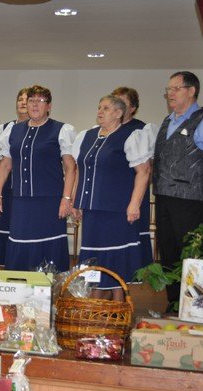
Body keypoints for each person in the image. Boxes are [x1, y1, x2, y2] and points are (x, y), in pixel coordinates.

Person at [71, 95, 152, 301]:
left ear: (118, 113)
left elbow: (143, 171)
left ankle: (119, 307)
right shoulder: (87, 136)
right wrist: (75, 200)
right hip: (92, 211)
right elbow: (80, 170)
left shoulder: (130, 136)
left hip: (116, 211)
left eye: (106, 108)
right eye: (99, 107)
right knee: (94, 258)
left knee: (115, 258)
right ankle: (97, 305)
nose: (100, 111)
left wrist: (134, 204)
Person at [0, 85, 76, 271]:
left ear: (49, 106)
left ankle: (49, 286)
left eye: (40, 101)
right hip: (20, 201)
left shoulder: (61, 130)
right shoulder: (13, 131)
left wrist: (67, 198)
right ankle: (20, 285)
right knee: (20, 242)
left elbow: (71, 167)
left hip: (50, 201)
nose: (35, 104)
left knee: (49, 246)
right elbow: (5, 165)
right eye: (31, 100)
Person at [153, 71, 203, 312]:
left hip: (193, 201)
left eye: (176, 88)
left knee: (193, 253)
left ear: (191, 91)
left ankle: (197, 305)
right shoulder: (167, 121)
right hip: (164, 197)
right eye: (168, 89)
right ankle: (175, 302)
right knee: (168, 251)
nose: (170, 93)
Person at [111, 86, 157, 268]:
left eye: (122, 103)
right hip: (110, 195)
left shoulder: (142, 130)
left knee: (131, 236)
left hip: (132, 193)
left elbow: (147, 168)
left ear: (132, 108)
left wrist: (135, 200)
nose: (117, 107)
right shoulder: (102, 130)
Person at [0, 87, 29, 266]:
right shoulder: (4, 128)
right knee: (6, 228)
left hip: (28, 191)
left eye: (27, 99)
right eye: (20, 99)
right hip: (7, 190)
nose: (23, 102)